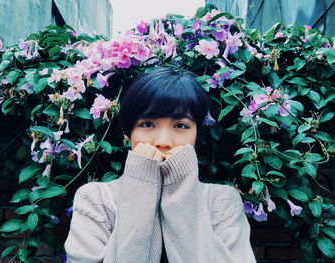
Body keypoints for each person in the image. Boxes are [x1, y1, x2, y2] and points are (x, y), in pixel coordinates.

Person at [64, 67, 256, 262]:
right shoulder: (96, 200)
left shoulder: (221, 202)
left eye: (181, 126)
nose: (163, 140)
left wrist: (181, 188)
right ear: (128, 133)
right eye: (147, 124)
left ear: (197, 134)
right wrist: (141, 185)